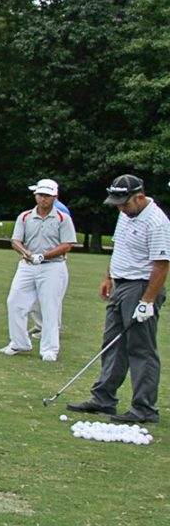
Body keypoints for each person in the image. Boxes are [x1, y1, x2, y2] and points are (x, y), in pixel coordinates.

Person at [64, 175, 169, 424]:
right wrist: (108, 277)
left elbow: (162, 266)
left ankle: (144, 408)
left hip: (141, 287)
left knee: (141, 349)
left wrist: (148, 301)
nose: (120, 208)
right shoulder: (126, 214)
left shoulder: (157, 222)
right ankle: (104, 399)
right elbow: (120, 248)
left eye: (124, 202)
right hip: (121, 283)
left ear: (140, 197)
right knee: (112, 343)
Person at [0, 179, 76, 363]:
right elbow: (16, 241)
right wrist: (26, 253)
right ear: (36, 195)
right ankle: (19, 342)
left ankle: (49, 349)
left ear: (54, 197)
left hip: (53, 267)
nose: (43, 199)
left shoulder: (62, 218)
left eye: (47, 196)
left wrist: (43, 256)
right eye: (40, 195)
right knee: (15, 302)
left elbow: (67, 244)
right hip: (27, 265)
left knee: (50, 307)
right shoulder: (25, 216)